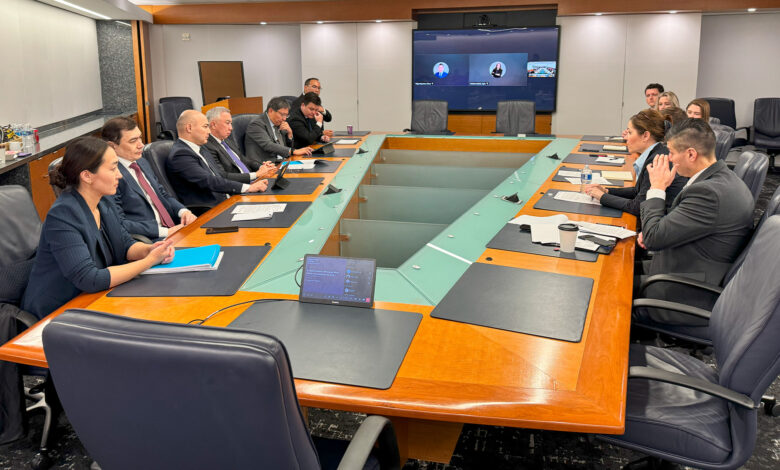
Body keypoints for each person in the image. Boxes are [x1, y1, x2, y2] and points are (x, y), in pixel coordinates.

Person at [21, 137, 175, 320]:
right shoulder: (62, 215)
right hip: (58, 313)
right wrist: (148, 261)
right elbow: (90, 279)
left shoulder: (103, 201)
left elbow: (125, 244)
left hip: (96, 299)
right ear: (87, 176)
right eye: (113, 168)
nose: (119, 175)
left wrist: (149, 250)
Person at [635, 118, 754, 325]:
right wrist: (656, 229)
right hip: (684, 266)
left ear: (691, 154)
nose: (669, 158)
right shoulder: (718, 179)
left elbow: (654, 238)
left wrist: (657, 188)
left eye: (671, 152)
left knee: (608, 289)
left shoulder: (709, 193)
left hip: (685, 292)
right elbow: (672, 225)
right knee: (621, 265)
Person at [101, 117, 196, 241]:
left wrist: (183, 212)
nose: (141, 145)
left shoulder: (142, 162)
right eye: (133, 141)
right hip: (151, 240)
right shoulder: (111, 176)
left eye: (140, 138)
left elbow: (162, 194)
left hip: (175, 228)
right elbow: (120, 222)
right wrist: (165, 232)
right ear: (112, 146)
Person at [585, 109, 686, 218]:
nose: (626, 138)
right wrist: (607, 191)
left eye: (630, 132)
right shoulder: (656, 152)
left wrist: (602, 197)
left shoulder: (657, 160)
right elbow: (638, 192)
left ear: (645, 136)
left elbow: (638, 207)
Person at [166, 110, 268, 208]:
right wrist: (248, 188)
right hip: (211, 209)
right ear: (189, 128)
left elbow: (220, 175)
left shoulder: (201, 148)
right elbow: (208, 180)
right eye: (205, 126)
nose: (209, 131)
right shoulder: (180, 154)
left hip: (229, 199)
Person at [202, 106, 276, 182]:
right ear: (213, 125)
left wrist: (262, 167)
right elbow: (222, 176)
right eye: (227, 123)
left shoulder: (226, 140)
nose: (231, 128)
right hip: (239, 186)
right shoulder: (207, 146)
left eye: (231, 123)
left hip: (254, 180)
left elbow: (245, 160)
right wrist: (256, 174)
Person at [245, 97, 314, 163]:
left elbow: (285, 148)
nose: (284, 118)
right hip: (265, 165)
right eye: (282, 114)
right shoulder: (256, 124)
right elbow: (268, 145)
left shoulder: (278, 123)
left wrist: (290, 134)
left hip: (281, 162)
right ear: (271, 111)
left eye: (286, 115)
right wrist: (294, 151)